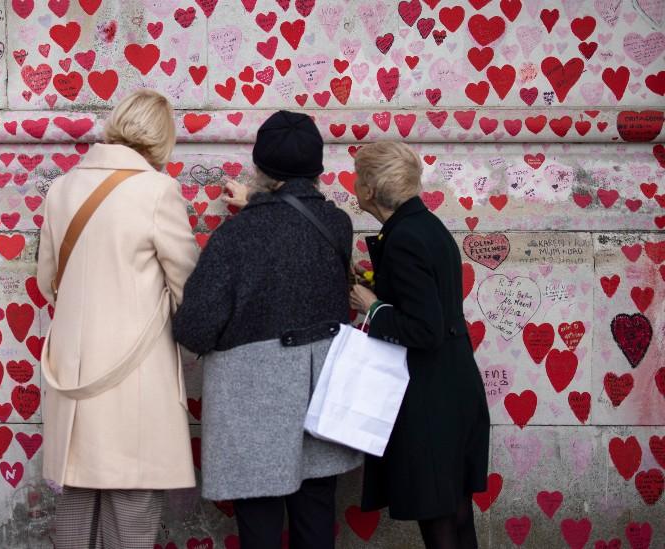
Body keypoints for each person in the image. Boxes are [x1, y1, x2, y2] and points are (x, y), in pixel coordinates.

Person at [173, 111, 362, 549]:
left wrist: (251, 211)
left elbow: (196, 328)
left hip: (253, 401)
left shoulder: (236, 236)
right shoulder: (338, 225)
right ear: (317, 170)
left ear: (260, 168)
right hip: (320, 392)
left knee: (259, 524)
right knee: (316, 516)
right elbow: (293, 235)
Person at [36, 89, 200, 548]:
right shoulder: (157, 191)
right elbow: (189, 286)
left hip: (72, 373)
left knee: (75, 502)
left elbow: (47, 277)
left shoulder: (63, 187)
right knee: (132, 505)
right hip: (134, 379)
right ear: (162, 139)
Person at [348, 141, 490, 549]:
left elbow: (425, 328)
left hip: (430, 397)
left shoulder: (404, 237)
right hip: (454, 386)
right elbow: (430, 299)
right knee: (456, 510)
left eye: (359, 177)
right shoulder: (427, 226)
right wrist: (380, 284)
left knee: (439, 519)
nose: (354, 183)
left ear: (371, 190)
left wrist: (372, 307)